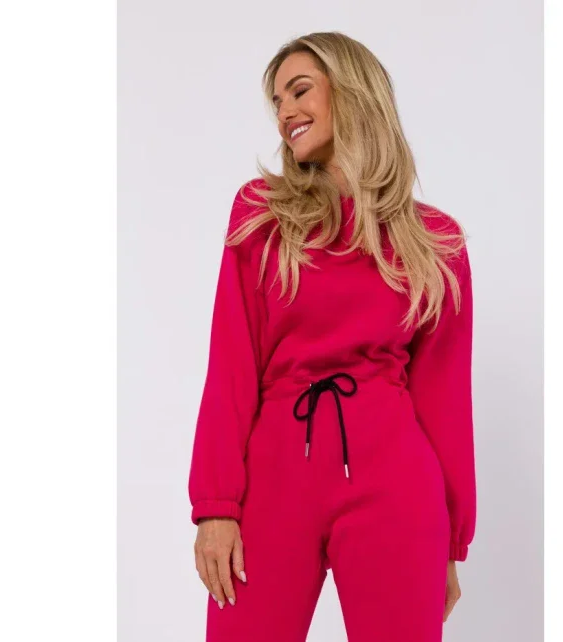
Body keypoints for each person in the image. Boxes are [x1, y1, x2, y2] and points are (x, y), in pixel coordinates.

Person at [188, 31, 476, 642]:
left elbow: (444, 399)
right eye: (277, 100)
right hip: (274, 475)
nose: (285, 111)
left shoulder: (436, 243)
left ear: (351, 92)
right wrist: (216, 506)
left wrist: (450, 544)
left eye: (299, 91)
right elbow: (231, 365)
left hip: (395, 481)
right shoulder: (262, 215)